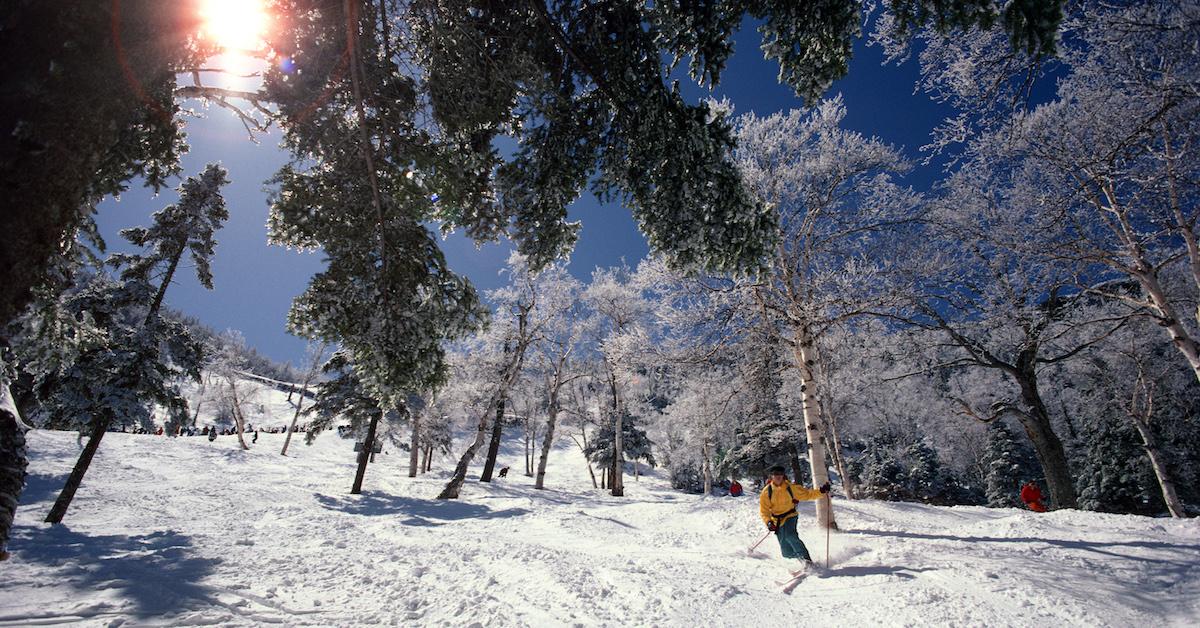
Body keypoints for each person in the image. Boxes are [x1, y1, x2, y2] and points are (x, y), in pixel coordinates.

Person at [759, 465, 830, 566]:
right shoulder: (766, 492)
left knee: (790, 535)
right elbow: (764, 510)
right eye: (776, 474)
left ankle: (807, 561)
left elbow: (807, 494)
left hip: (790, 516)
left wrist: (821, 491)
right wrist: (769, 522)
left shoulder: (791, 488)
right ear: (771, 476)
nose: (778, 477)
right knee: (786, 553)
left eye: (780, 474)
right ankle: (800, 559)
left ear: (783, 475)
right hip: (777, 520)